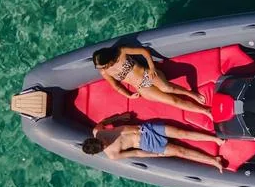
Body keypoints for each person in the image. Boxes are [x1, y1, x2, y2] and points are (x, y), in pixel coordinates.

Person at [92, 45, 212, 119]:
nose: (103, 67)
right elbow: (116, 86)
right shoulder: (105, 72)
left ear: (108, 58)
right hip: (141, 87)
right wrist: (129, 95)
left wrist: (152, 67)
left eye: (104, 64)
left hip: (147, 73)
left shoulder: (121, 51)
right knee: (173, 101)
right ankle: (205, 111)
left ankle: (191, 93)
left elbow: (144, 52)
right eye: (100, 67)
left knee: (167, 88)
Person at [81, 112, 225, 173]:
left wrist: (119, 118)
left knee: (182, 133)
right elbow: (136, 153)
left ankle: (214, 139)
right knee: (179, 151)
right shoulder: (112, 154)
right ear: (99, 151)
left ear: (95, 138)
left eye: (101, 142)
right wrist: (156, 154)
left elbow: (103, 122)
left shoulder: (98, 131)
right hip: (146, 144)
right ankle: (213, 160)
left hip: (146, 129)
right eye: (102, 146)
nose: (104, 143)